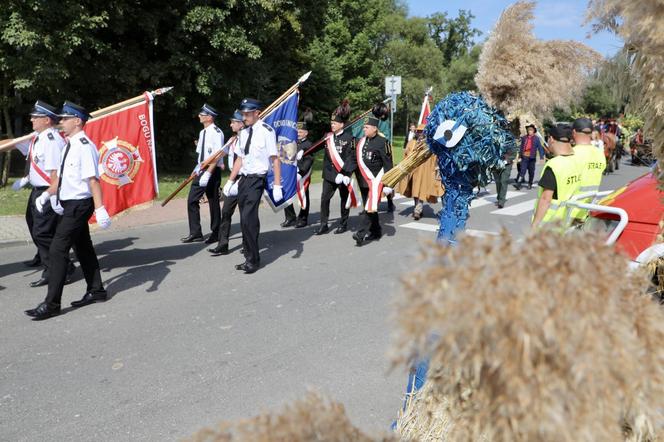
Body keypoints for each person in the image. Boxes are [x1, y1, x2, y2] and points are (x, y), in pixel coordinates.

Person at [24, 101, 111, 320]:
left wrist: (100, 208)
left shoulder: (84, 146)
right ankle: (96, 290)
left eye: (65, 119)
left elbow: (93, 181)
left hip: (80, 204)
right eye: (60, 119)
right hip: (68, 203)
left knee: (57, 249)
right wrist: (48, 194)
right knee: (83, 248)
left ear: (77, 121)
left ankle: (52, 304)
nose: (60, 122)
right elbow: (60, 177)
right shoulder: (69, 144)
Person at [13, 100, 75, 287]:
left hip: (47, 191)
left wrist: (52, 196)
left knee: (43, 232)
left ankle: (61, 268)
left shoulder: (52, 140)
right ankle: (49, 262)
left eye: (36, 117)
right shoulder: (38, 137)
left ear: (47, 120)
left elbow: (56, 171)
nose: (31, 119)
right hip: (37, 189)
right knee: (34, 225)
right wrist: (26, 179)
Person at [222, 98, 282, 274]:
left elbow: (275, 159)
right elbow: (240, 158)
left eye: (248, 113)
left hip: (257, 179)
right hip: (244, 180)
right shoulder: (244, 133)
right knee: (244, 220)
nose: (244, 116)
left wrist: (277, 185)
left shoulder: (266, 131)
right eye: (243, 114)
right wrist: (230, 181)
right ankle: (249, 256)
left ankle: (253, 260)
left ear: (257, 113)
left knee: (249, 218)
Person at [181, 104, 224, 244]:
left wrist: (208, 173)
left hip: (212, 170)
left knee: (213, 202)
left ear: (210, 117)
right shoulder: (202, 133)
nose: (199, 116)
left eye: (202, 114)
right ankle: (195, 232)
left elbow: (217, 156)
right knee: (192, 200)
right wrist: (196, 170)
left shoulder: (217, 132)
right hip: (201, 169)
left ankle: (216, 232)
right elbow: (201, 156)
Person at [531, 124, 582, 230]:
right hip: (568, 222)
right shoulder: (577, 160)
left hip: (549, 225)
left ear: (551, 139)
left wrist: (534, 225)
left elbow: (546, 199)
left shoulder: (554, 165)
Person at [316, 99, 356, 235]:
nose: (332, 125)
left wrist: (345, 173)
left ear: (342, 124)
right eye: (331, 123)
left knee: (344, 199)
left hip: (342, 175)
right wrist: (304, 152)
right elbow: (315, 147)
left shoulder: (350, 138)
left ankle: (343, 223)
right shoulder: (327, 137)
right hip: (329, 174)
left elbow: (352, 158)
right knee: (324, 199)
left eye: (334, 123)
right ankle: (324, 224)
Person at [352, 114, 393, 246]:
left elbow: (388, 164)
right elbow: (355, 159)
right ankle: (376, 231)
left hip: (377, 181)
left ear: (375, 128)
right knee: (370, 207)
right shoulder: (362, 141)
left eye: (366, 127)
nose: (364, 129)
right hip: (364, 180)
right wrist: (344, 173)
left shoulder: (383, 142)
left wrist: (389, 184)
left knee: (370, 207)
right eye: (364, 127)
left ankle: (360, 234)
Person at [209, 110, 244, 256]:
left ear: (241, 123)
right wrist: (205, 165)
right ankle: (223, 244)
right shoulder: (233, 139)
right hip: (233, 178)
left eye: (233, 122)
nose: (230, 125)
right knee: (226, 211)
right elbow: (222, 153)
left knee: (246, 214)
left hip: (245, 178)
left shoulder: (248, 139)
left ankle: (249, 244)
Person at [396, 124, 444, 218]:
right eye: (418, 131)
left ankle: (418, 210)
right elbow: (406, 154)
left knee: (421, 190)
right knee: (415, 191)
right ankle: (417, 208)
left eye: (421, 131)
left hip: (425, 171)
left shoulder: (429, 144)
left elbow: (435, 157)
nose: (419, 133)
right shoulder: (411, 142)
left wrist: (436, 168)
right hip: (413, 171)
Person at [569, 117, 606, 223]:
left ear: (574, 132)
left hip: (570, 210)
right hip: (588, 208)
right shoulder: (599, 153)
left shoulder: (572, 153)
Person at [281, 121, 314, 228]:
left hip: (302, 175)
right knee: (286, 195)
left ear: (306, 133)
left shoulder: (308, 144)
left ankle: (303, 218)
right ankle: (290, 217)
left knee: (303, 195)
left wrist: (301, 172)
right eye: (297, 131)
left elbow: (309, 160)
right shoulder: (292, 142)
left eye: (301, 131)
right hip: (290, 174)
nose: (298, 133)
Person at [514, 124, 545, 190]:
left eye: (531, 130)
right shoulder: (524, 138)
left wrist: (541, 157)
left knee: (531, 172)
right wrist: (519, 157)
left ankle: (530, 183)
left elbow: (540, 148)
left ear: (533, 131)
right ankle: (518, 184)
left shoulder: (536, 139)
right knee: (522, 171)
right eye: (528, 130)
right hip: (524, 157)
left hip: (532, 158)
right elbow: (521, 148)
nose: (529, 131)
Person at [493, 141, 517, 208]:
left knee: (503, 181)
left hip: (507, 165)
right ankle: (499, 198)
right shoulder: (493, 139)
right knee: (498, 182)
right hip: (496, 165)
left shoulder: (510, 140)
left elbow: (514, 154)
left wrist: (506, 161)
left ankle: (501, 201)